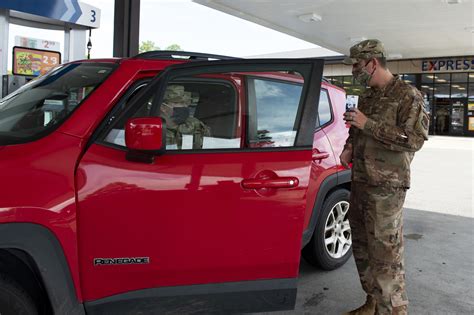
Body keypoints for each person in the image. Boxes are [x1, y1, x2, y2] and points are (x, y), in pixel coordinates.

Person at [340, 39, 429, 315]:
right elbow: (357, 130)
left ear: (372, 63)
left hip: (387, 190)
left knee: (386, 256)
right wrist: (349, 146)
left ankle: (394, 310)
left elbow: (414, 140)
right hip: (361, 182)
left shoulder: (407, 95)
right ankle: (373, 303)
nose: (354, 70)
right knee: (364, 249)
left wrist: (369, 124)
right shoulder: (368, 96)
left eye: (357, 65)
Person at [160, 85, 210, 149]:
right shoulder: (152, 128)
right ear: (163, 107)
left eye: (186, 103)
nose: (185, 106)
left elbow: (209, 148)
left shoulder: (195, 125)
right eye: (179, 103)